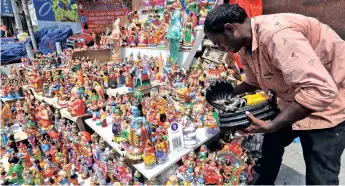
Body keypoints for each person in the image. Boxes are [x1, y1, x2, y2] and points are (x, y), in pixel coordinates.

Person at [204, 4, 345, 185]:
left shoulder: (278, 37)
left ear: (230, 29)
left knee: (320, 176)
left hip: (327, 107)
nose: (222, 49)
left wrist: (272, 125)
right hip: (290, 101)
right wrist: (229, 93)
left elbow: (318, 91)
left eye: (219, 43)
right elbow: (254, 82)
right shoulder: (246, 46)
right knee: (269, 148)